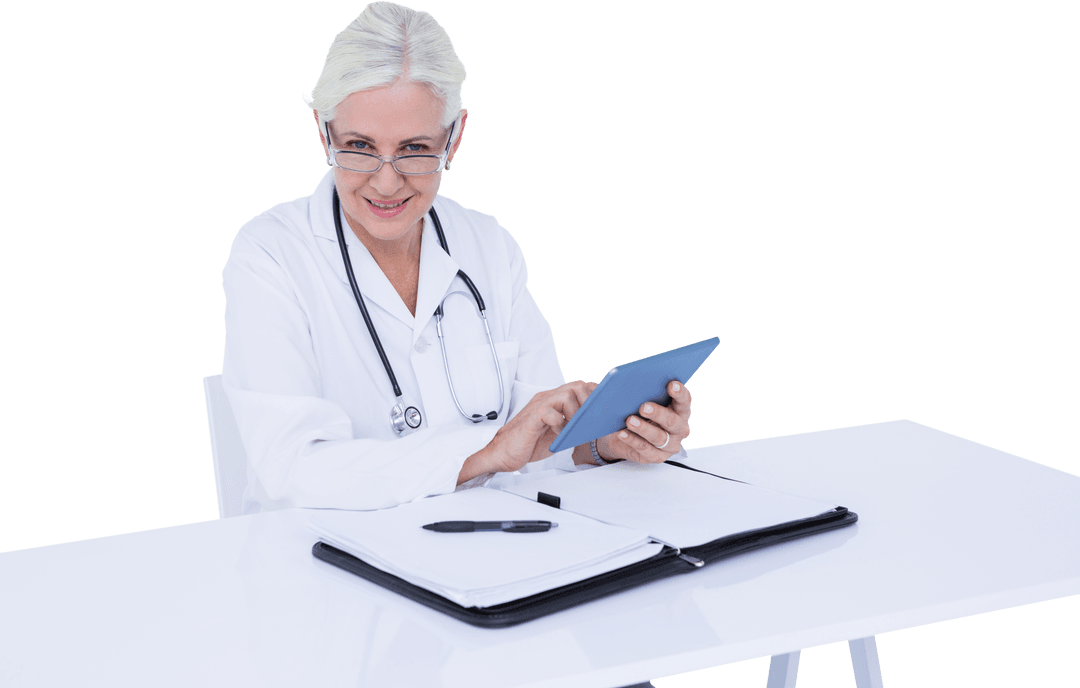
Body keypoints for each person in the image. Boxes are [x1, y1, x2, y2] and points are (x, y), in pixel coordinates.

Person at [221, 1, 693, 516]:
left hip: (490, 550)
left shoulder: (488, 244)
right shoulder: (269, 253)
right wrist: (483, 454)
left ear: (455, 137)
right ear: (323, 131)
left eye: (415, 149)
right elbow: (292, 470)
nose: (385, 180)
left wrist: (604, 445)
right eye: (358, 145)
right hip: (320, 567)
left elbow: (541, 441)